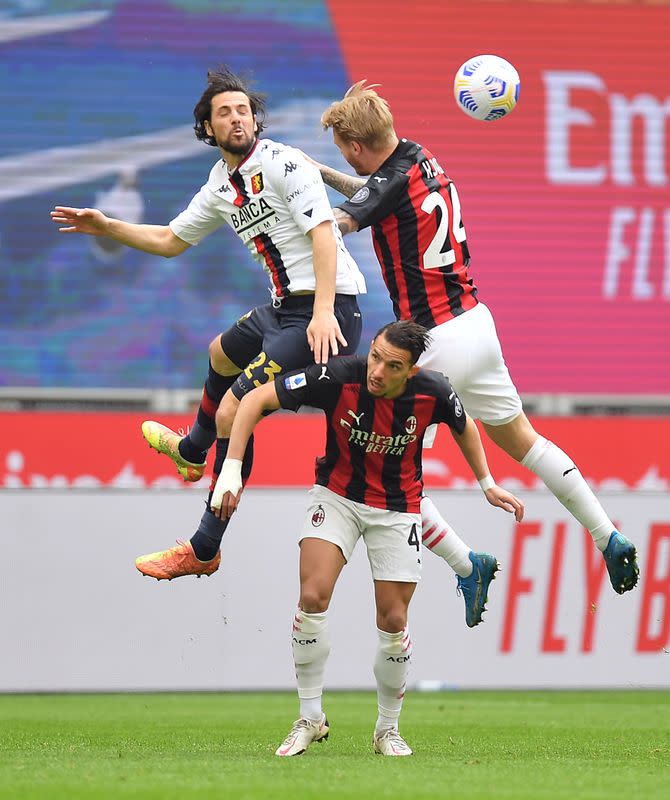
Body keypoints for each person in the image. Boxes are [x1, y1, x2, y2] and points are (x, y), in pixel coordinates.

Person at [310, 80, 638, 596]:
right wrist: (321, 174)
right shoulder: (421, 160)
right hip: (477, 324)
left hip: (432, 341)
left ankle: (468, 566)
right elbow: (379, 194)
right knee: (524, 442)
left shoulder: (387, 182)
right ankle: (607, 535)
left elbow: (349, 218)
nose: (347, 164)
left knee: (380, 465)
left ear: (356, 146)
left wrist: (306, 212)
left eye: (343, 155)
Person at [50, 65, 366, 580]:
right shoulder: (221, 183)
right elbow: (171, 241)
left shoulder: (284, 163)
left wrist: (326, 312)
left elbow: (326, 236)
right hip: (285, 308)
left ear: (255, 121)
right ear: (208, 129)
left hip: (326, 312)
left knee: (233, 412)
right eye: (225, 113)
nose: (237, 118)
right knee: (220, 351)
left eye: (244, 110)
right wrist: (108, 226)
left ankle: (203, 547)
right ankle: (192, 452)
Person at [213, 320, 524, 757]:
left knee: (393, 621)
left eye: (391, 365)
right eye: (375, 355)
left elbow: (464, 424)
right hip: (336, 497)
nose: (377, 370)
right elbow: (254, 400)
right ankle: (309, 718)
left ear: (411, 372)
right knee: (313, 596)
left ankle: (386, 730)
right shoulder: (336, 377)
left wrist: (487, 482)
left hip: (398, 509)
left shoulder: (433, 390)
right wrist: (231, 467)